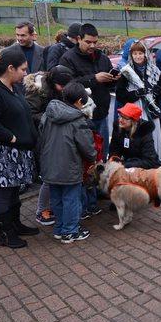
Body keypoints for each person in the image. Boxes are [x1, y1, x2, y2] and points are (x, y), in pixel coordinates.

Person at [0, 49, 38, 248]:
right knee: (4, 192)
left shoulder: (14, 86)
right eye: (22, 69)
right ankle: (5, 234)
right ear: (10, 68)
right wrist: (12, 138)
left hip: (17, 150)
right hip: (2, 152)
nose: (25, 73)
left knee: (14, 191)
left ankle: (15, 224)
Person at [38, 81, 95, 243]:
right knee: (71, 199)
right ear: (79, 102)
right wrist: (92, 158)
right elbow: (87, 146)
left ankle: (60, 228)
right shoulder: (78, 119)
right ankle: (70, 231)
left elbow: (41, 137)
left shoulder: (48, 114)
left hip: (49, 164)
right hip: (69, 167)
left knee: (56, 197)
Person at [25, 65, 75, 226]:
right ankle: (42, 210)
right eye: (62, 86)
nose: (64, 89)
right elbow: (31, 114)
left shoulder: (60, 88)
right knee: (49, 176)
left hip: (58, 134)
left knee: (58, 174)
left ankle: (54, 206)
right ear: (53, 82)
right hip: (43, 136)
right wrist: (53, 117)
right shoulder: (37, 90)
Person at [60, 23, 117, 159]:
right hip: (80, 117)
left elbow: (110, 87)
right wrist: (94, 79)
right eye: (88, 42)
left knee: (102, 153)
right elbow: (67, 86)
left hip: (101, 114)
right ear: (79, 39)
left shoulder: (102, 58)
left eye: (95, 42)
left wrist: (114, 79)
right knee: (84, 155)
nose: (92, 46)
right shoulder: (68, 58)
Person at [116, 41, 161, 164]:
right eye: (135, 54)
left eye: (140, 53)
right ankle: (139, 165)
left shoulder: (154, 70)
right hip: (134, 111)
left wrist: (156, 91)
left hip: (151, 110)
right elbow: (120, 95)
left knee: (153, 136)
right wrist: (136, 94)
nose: (138, 56)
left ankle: (154, 163)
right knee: (137, 138)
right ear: (131, 55)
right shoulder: (126, 72)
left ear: (145, 54)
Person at [110, 102, 161, 168]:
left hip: (144, 168)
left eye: (125, 118)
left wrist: (125, 165)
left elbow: (150, 161)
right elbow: (114, 148)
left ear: (133, 121)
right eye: (120, 116)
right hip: (128, 164)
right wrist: (114, 159)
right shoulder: (118, 127)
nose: (120, 120)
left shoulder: (144, 132)